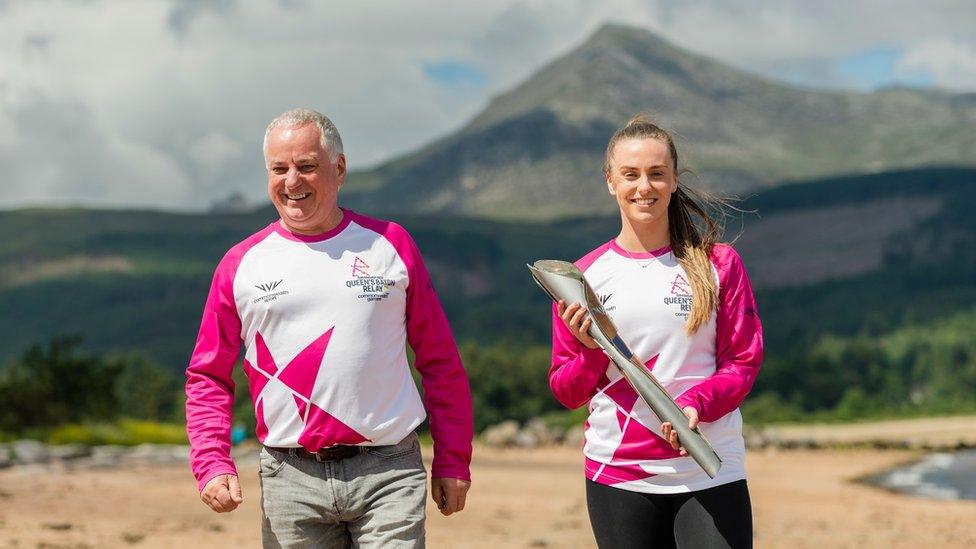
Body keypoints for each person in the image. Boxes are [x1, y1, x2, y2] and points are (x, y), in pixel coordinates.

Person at [185, 108, 473, 548]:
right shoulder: (240, 263)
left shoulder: (390, 245)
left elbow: (440, 363)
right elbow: (207, 376)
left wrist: (453, 461)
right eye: (279, 169)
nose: (292, 181)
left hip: (389, 470)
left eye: (306, 166)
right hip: (290, 478)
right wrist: (211, 462)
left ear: (338, 169)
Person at [549, 115, 763, 548]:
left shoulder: (717, 264)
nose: (643, 186)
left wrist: (697, 404)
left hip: (710, 466)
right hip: (619, 472)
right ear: (610, 181)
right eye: (631, 174)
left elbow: (743, 361)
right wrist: (593, 350)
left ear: (673, 181)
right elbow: (566, 391)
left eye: (656, 174)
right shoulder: (583, 277)